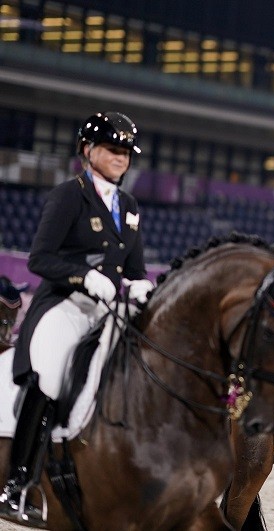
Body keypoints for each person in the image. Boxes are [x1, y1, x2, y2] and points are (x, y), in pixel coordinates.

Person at [0, 111, 153, 525]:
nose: (121, 158)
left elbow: (134, 268)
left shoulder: (130, 206)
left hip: (107, 309)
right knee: (49, 376)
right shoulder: (69, 195)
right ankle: (16, 483)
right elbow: (40, 259)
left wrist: (140, 284)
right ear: (88, 150)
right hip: (63, 305)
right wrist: (83, 276)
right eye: (112, 149)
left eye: (126, 152)